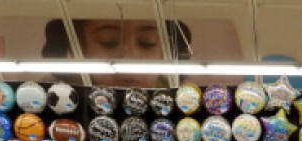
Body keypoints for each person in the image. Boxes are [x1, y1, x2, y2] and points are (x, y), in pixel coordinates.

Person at [42, 19, 192, 88]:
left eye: (148, 43)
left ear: (166, 48)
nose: (130, 58)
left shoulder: (186, 106)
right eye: (108, 42)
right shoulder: (44, 99)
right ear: (75, 47)